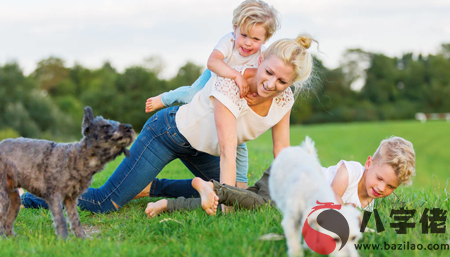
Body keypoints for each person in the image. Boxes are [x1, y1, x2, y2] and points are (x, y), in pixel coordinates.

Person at [21, 33, 316, 214]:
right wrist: (226, 206)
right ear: (261, 59)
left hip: (201, 149)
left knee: (243, 194)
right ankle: (33, 195)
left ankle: (150, 187)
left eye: (282, 81)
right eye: (268, 72)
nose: (271, 83)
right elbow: (228, 150)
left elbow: (282, 152)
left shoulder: (283, 99)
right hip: (167, 133)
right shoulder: (231, 84)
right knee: (102, 203)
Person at [145, 0, 281, 188]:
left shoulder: (263, 56)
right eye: (244, 35)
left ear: (265, 39)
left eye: (256, 39)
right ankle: (164, 98)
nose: (248, 43)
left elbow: (261, 81)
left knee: (237, 138)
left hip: (233, 96)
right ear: (235, 29)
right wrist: (236, 75)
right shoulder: (228, 41)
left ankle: (240, 187)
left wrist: (255, 95)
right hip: (218, 73)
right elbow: (213, 62)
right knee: (191, 95)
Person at [144, 136, 416, 217]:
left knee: (228, 210)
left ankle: (167, 203)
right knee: (263, 206)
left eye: (391, 186)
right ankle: (207, 184)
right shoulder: (352, 171)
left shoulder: (371, 202)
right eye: (380, 178)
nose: (381, 187)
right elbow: (331, 201)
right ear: (370, 163)